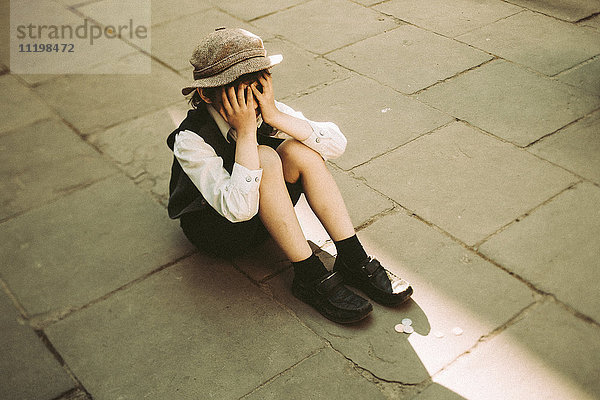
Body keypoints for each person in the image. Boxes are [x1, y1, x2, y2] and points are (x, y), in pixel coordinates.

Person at [167, 27, 412, 324]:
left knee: (300, 151)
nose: (254, 100)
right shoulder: (191, 140)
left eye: (260, 84)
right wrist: (246, 134)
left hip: (266, 217)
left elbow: (336, 145)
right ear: (206, 94)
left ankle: (353, 257)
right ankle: (308, 275)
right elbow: (237, 210)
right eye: (241, 92)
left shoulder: (265, 109)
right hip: (221, 231)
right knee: (267, 156)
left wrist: (276, 116)